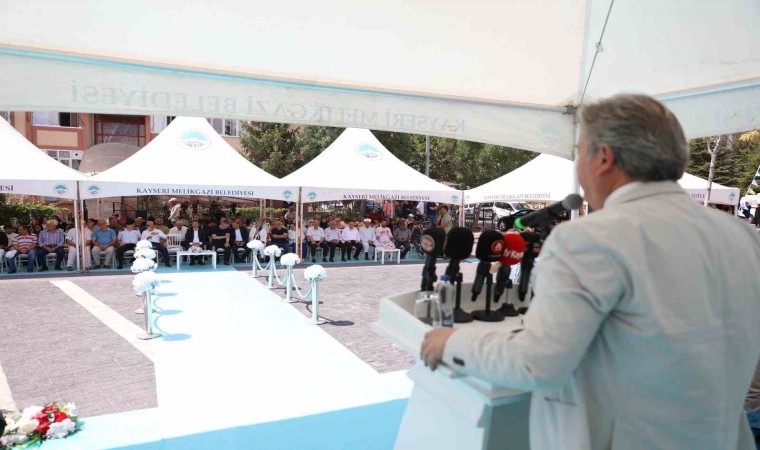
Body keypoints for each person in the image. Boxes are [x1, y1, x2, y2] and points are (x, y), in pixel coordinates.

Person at [420, 94, 760, 450]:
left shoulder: (589, 238)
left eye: (579, 153)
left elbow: (536, 362)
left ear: (603, 158)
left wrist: (450, 342)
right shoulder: (743, 236)